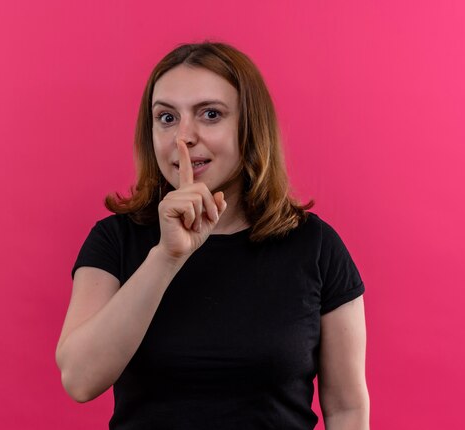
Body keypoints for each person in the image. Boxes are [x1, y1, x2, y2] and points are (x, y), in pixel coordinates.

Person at [55, 41, 369, 429]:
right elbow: (80, 379)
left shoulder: (316, 247)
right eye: (166, 118)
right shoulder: (116, 240)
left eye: (210, 114)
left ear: (249, 127)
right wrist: (166, 257)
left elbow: (347, 408)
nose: (183, 137)